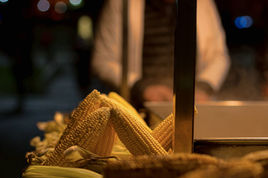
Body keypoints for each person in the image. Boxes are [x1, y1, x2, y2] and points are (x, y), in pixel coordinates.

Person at [91, 0, 230, 110]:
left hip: (194, 107)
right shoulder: (121, 3)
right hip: (138, 109)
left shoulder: (203, 3)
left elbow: (219, 56)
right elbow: (102, 60)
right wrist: (142, 87)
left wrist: (203, 86)